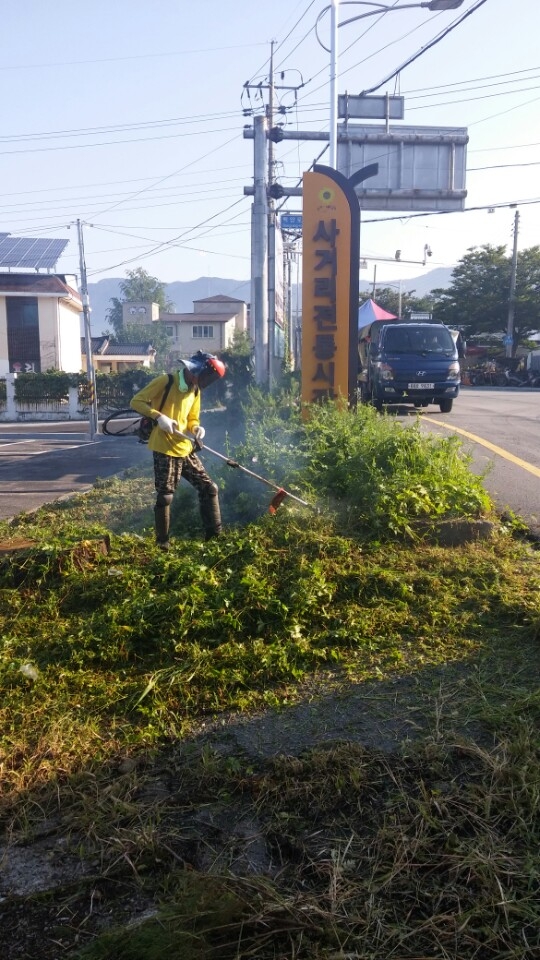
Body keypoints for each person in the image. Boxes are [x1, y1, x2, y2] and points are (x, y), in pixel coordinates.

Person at [130, 351, 226, 549]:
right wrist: (158, 417)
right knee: (165, 495)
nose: (202, 382)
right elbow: (136, 401)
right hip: (164, 446)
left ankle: (214, 537)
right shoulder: (166, 381)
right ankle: (163, 543)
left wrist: (196, 429)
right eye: (204, 377)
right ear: (194, 370)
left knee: (209, 489)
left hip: (184, 446)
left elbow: (192, 418)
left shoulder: (195, 390)